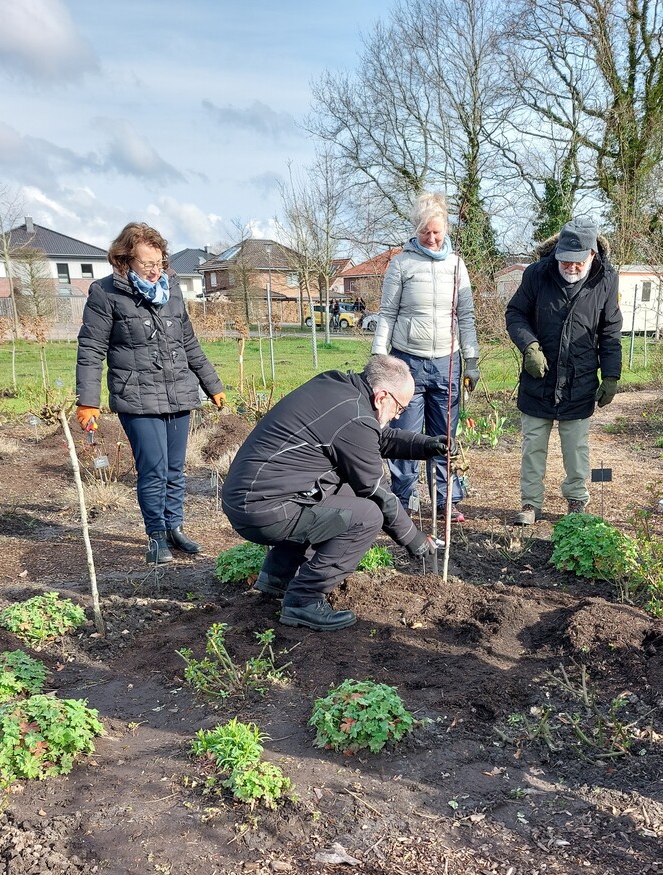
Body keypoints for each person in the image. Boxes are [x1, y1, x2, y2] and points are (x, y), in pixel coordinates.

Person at [221, 355, 445, 632]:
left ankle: (277, 576)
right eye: (400, 407)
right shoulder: (355, 416)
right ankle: (304, 600)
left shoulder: (339, 389)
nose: (399, 415)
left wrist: (425, 445)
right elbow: (377, 492)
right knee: (367, 516)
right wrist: (414, 539)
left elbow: (370, 437)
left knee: (342, 493)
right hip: (263, 511)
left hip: (251, 498)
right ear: (382, 397)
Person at [75, 221, 225, 565]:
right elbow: (91, 349)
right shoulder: (106, 293)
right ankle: (155, 536)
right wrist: (88, 401)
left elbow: (188, 342)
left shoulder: (171, 290)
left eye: (160, 262)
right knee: (154, 469)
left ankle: (175, 528)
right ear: (125, 261)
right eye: (148, 264)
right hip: (137, 398)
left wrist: (212, 385)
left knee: (175, 469)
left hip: (178, 394)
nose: (156, 270)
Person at [505, 217, 622, 525]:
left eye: (577, 261)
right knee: (533, 445)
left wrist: (611, 375)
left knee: (576, 447)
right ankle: (530, 504)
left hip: (579, 378)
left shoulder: (606, 279)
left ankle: (577, 500)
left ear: (592, 254)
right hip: (539, 377)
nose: (571, 267)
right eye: (565, 261)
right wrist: (529, 346)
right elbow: (515, 313)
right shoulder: (537, 274)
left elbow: (610, 330)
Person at [371, 193, 479, 523]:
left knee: (444, 435)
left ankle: (447, 500)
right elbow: (387, 312)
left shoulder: (457, 265)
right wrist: (378, 357)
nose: (431, 239)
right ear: (415, 230)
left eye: (436, 232)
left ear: (446, 227)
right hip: (408, 363)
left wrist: (471, 359)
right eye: (424, 233)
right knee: (405, 435)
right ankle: (401, 501)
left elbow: (467, 316)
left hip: (448, 361)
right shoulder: (401, 264)